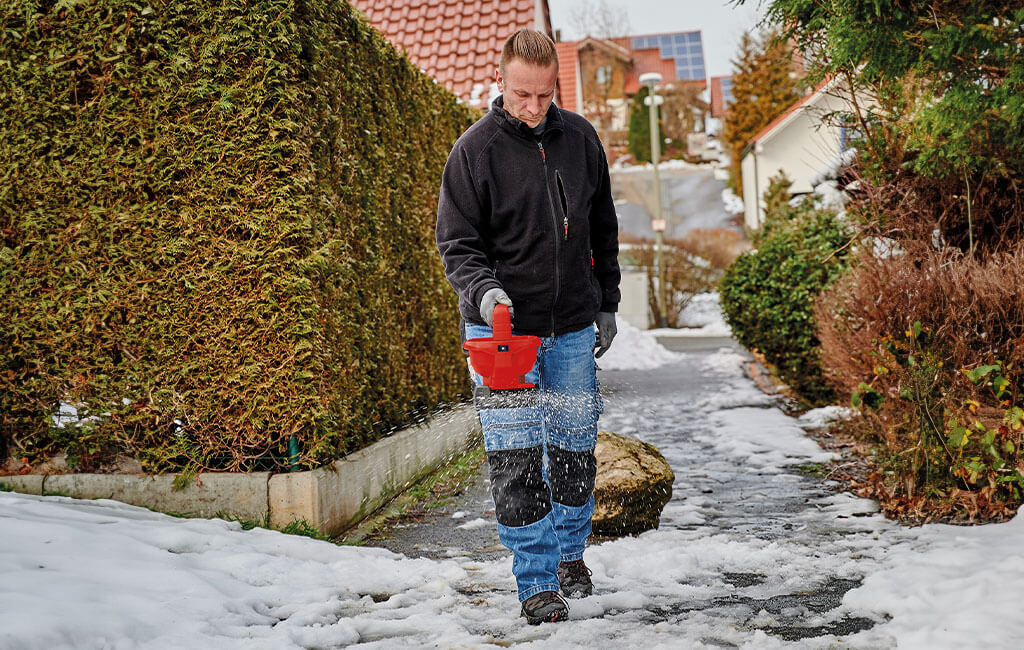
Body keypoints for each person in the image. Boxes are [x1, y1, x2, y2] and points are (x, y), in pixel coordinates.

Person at [435, 28, 620, 625]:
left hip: (569, 327)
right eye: (522, 95)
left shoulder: (582, 140)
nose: (534, 108)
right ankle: (535, 580)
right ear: (501, 82)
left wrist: (607, 301)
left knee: (573, 451)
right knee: (516, 459)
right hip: (501, 336)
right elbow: (458, 245)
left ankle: (569, 558)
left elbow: (603, 229)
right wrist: (486, 296)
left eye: (544, 96)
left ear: (555, 87)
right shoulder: (474, 151)